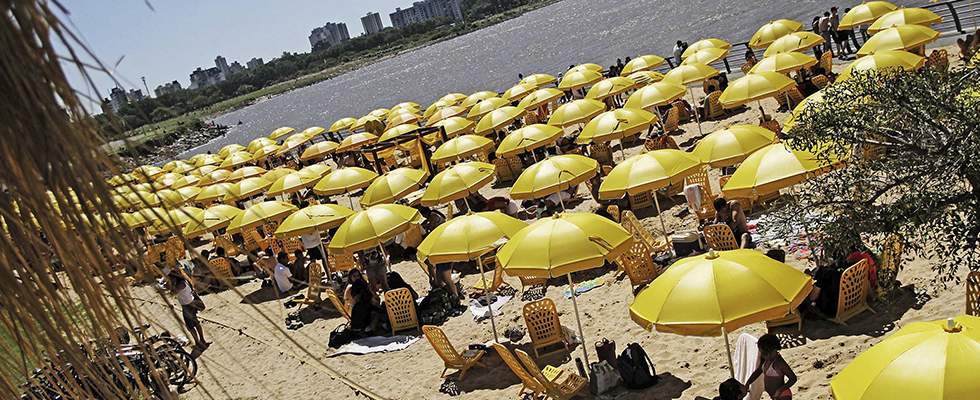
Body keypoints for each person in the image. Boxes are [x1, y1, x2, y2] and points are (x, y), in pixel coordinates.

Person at [744, 334, 797, 400]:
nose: (762, 355)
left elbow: (793, 378)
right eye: (761, 352)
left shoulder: (779, 363)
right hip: (774, 395)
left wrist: (780, 390)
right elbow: (758, 371)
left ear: (774, 351)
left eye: (764, 353)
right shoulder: (765, 358)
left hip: (782, 395)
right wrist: (748, 383)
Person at [168, 268, 208, 349]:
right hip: (191, 302)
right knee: (195, 322)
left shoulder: (180, 284)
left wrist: (171, 284)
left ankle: (198, 342)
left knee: (190, 325)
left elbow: (172, 293)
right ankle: (201, 340)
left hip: (187, 305)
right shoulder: (184, 281)